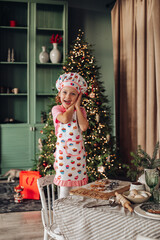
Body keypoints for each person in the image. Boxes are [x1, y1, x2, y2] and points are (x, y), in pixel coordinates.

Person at [52, 72, 89, 199]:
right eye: (65, 92)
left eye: (73, 94)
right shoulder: (57, 109)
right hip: (63, 158)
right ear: (59, 94)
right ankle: (62, 216)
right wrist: (73, 104)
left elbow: (84, 127)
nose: (68, 96)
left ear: (78, 96)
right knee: (64, 191)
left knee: (78, 192)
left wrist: (78, 108)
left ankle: (76, 216)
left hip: (78, 158)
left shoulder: (81, 111)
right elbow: (65, 119)